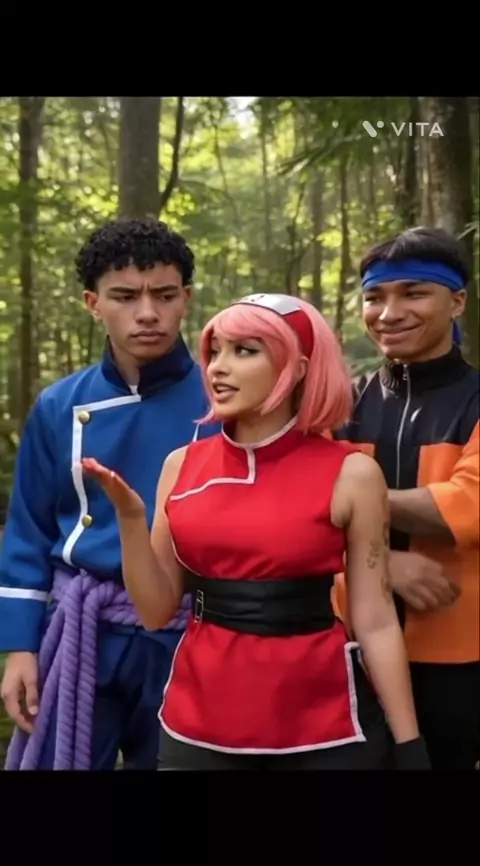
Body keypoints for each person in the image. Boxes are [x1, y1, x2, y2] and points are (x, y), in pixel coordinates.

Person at [82, 292, 430, 770]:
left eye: (245, 351)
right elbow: (156, 611)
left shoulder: (352, 473)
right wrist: (129, 519)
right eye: (215, 351)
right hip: (196, 726)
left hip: (325, 726)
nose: (218, 368)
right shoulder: (181, 466)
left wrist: (410, 745)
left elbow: (375, 620)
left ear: (298, 368)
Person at [0, 217, 218, 770]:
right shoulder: (59, 405)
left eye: (164, 295)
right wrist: (20, 647)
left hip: (188, 635)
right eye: (125, 296)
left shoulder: (225, 402)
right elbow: (28, 534)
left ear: (187, 299)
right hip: (80, 632)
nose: (147, 313)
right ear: (93, 304)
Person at [332, 226, 479, 770]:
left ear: (457, 301)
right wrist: (383, 566)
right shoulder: (341, 404)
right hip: (346, 649)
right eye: (375, 297)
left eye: (414, 293)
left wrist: (348, 500)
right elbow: (289, 512)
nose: (389, 313)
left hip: (459, 655)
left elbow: (466, 506)